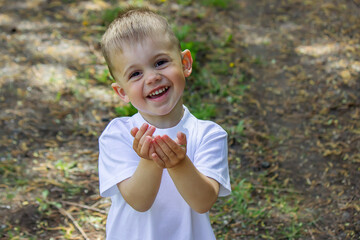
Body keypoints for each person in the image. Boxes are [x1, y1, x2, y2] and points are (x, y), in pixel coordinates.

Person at [98, 7, 231, 240]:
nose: (152, 77)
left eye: (160, 62)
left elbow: (203, 202)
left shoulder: (208, 134)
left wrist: (180, 165)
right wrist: (149, 161)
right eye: (135, 74)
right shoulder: (117, 135)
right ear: (122, 92)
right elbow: (139, 202)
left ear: (185, 63)